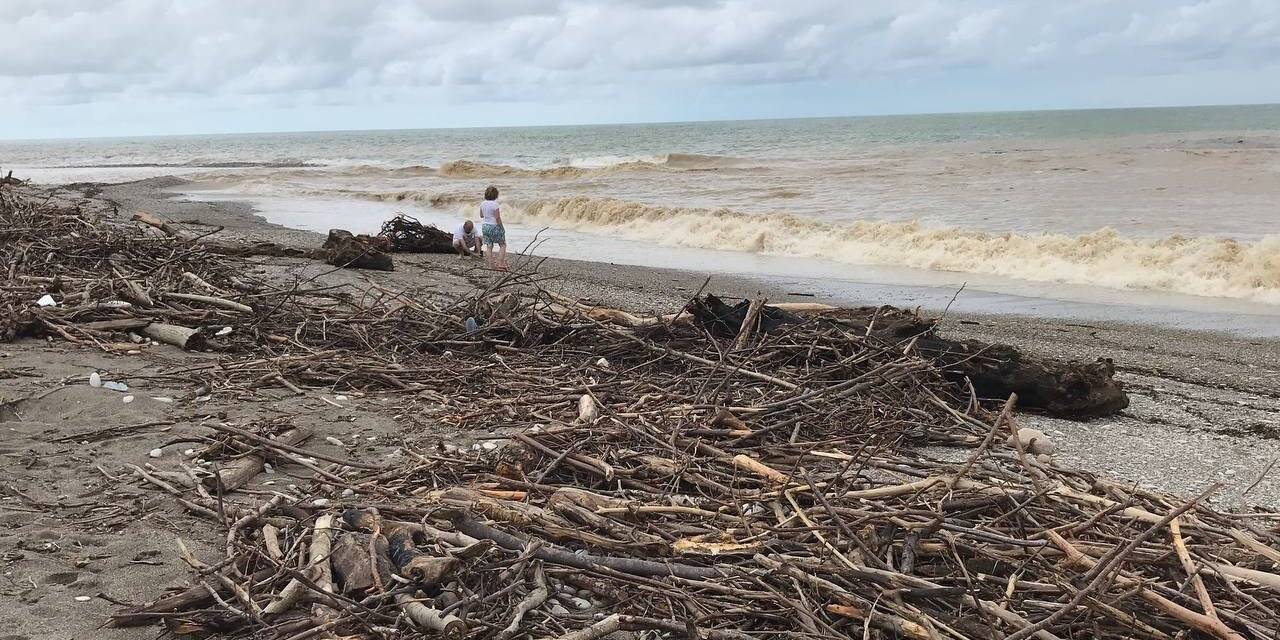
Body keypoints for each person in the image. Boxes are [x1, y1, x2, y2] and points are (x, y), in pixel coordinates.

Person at [480, 185, 508, 271]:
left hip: (485, 226)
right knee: (502, 245)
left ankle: (491, 265)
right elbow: (497, 217)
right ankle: (500, 263)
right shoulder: (495, 204)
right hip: (494, 226)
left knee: (489, 246)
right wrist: (502, 227)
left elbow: (481, 215)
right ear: (496, 195)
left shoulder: (482, 203)